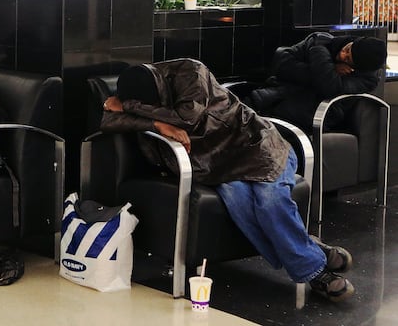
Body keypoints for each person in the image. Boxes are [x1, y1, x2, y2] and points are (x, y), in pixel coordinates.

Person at [100, 59, 355, 302]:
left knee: (268, 202)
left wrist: (132, 108)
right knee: (240, 204)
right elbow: (107, 120)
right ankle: (313, 250)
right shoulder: (137, 90)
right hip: (219, 165)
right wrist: (156, 123)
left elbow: (188, 116)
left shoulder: (189, 72)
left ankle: (315, 273)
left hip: (258, 146)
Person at [248, 32, 387, 131]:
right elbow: (281, 64)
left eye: (348, 59)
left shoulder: (367, 79)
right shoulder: (325, 40)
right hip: (270, 97)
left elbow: (329, 87)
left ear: (356, 67)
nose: (342, 55)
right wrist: (329, 69)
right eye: (347, 49)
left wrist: (320, 50)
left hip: (309, 115)